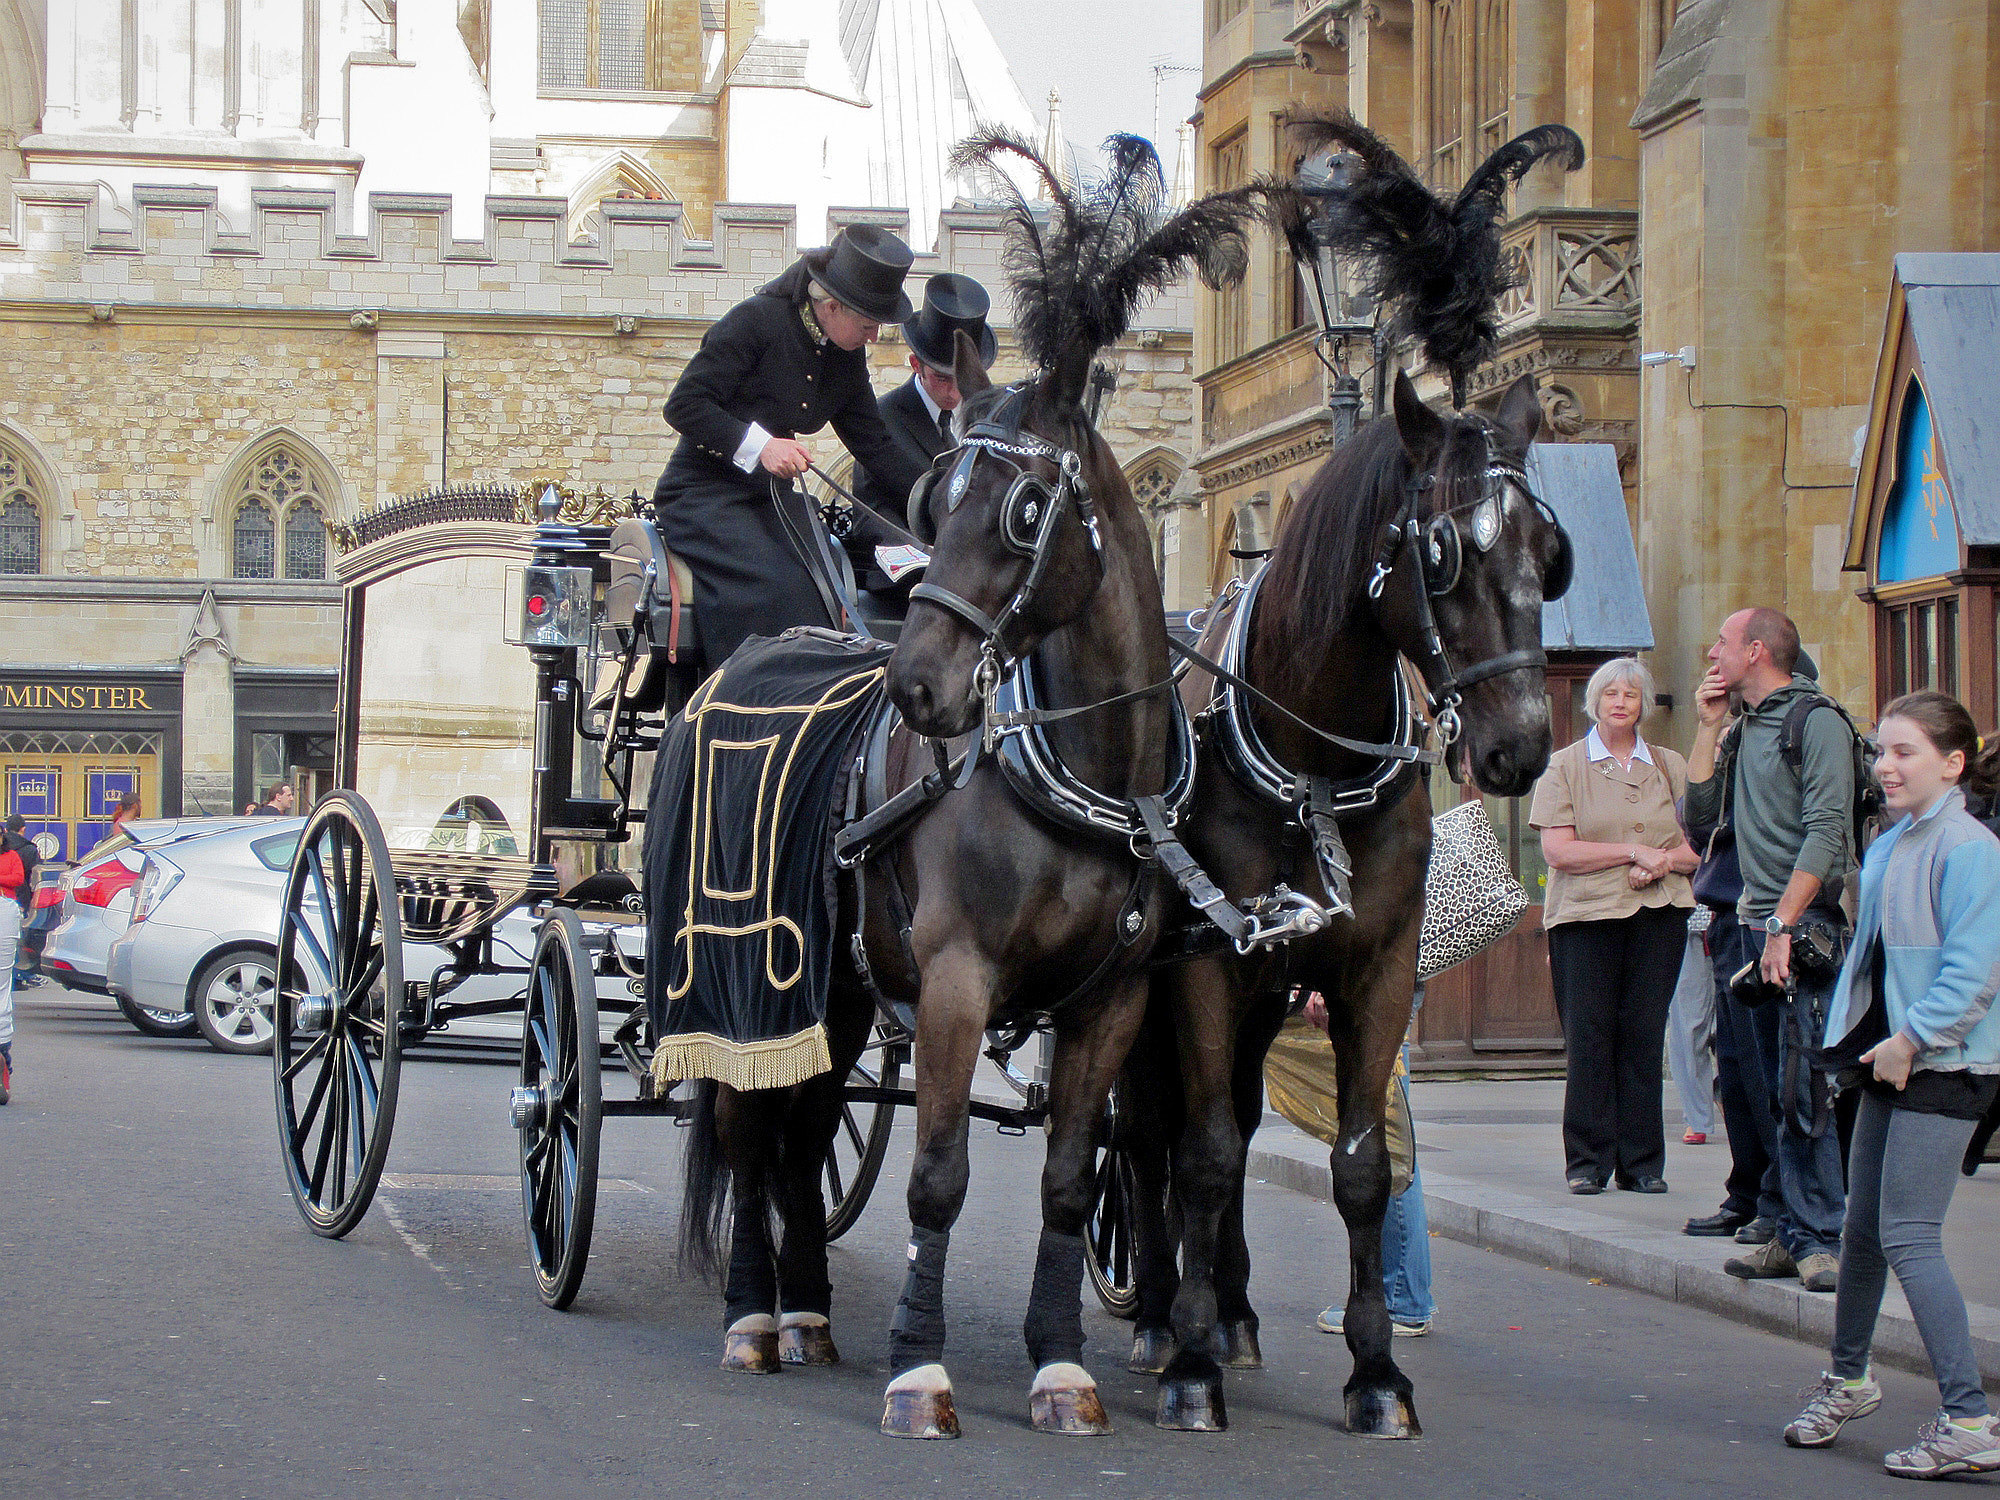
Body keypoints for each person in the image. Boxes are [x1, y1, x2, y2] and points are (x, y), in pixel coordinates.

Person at [1780, 691, 2000, 1479]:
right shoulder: (1890, 844)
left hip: (1948, 1065)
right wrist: (1855, 1047)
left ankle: (1970, 1420)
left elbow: (1976, 972)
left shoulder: (1969, 848)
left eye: (1906, 752)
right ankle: (1848, 1379)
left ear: (1953, 762)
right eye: (1882, 751)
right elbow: (1874, 963)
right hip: (1888, 1062)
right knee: (1862, 1233)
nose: (1886, 765)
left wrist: (1910, 1040)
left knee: (1908, 1234)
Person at [652, 224, 928, 666]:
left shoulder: (844, 351)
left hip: (771, 504)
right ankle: (744, 703)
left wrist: (937, 502)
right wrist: (760, 447)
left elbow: (874, 444)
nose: (874, 337)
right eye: (868, 324)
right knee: (779, 586)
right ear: (832, 306)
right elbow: (683, 406)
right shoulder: (755, 321)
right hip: (702, 498)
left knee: (828, 579)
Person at [1685, 609, 1853, 1294]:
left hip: (1799, 926)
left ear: (1755, 650)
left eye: (1722, 643)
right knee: (1767, 1092)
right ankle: (1785, 1230)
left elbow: (1827, 829)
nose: (1711, 653)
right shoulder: (1742, 727)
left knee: (1804, 1088)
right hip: (1752, 926)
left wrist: (1783, 924)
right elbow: (1698, 822)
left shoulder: (1816, 722)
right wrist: (1704, 727)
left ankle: (1820, 1239)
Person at [1530, 656, 1699, 1194]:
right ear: (1594, 703)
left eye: (1631, 694)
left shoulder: (1670, 764)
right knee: (1590, 1036)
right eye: (1610, 694)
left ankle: (1643, 1164)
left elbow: (1701, 846)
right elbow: (1559, 850)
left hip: (1660, 913)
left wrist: (1664, 862)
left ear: (1644, 704)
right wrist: (1634, 850)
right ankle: (1586, 1162)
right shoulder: (1565, 765)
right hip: (1585, 918)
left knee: (1643, 1036)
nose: (1621, 701)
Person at [1665, 916, 1717, 1144]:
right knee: (1689, 1028)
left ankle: (1723, 1093)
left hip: (1737, 919)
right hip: (1687, 923)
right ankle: (1697, 1117)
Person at [3, 815, 40, 994]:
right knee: (15, 939)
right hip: (17, 899)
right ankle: (18, 975)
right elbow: (25, 878)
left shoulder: (11, 854)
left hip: (10, 899)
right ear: (23, 829)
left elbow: (16, 877)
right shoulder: (28, 849)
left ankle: (15, 976)